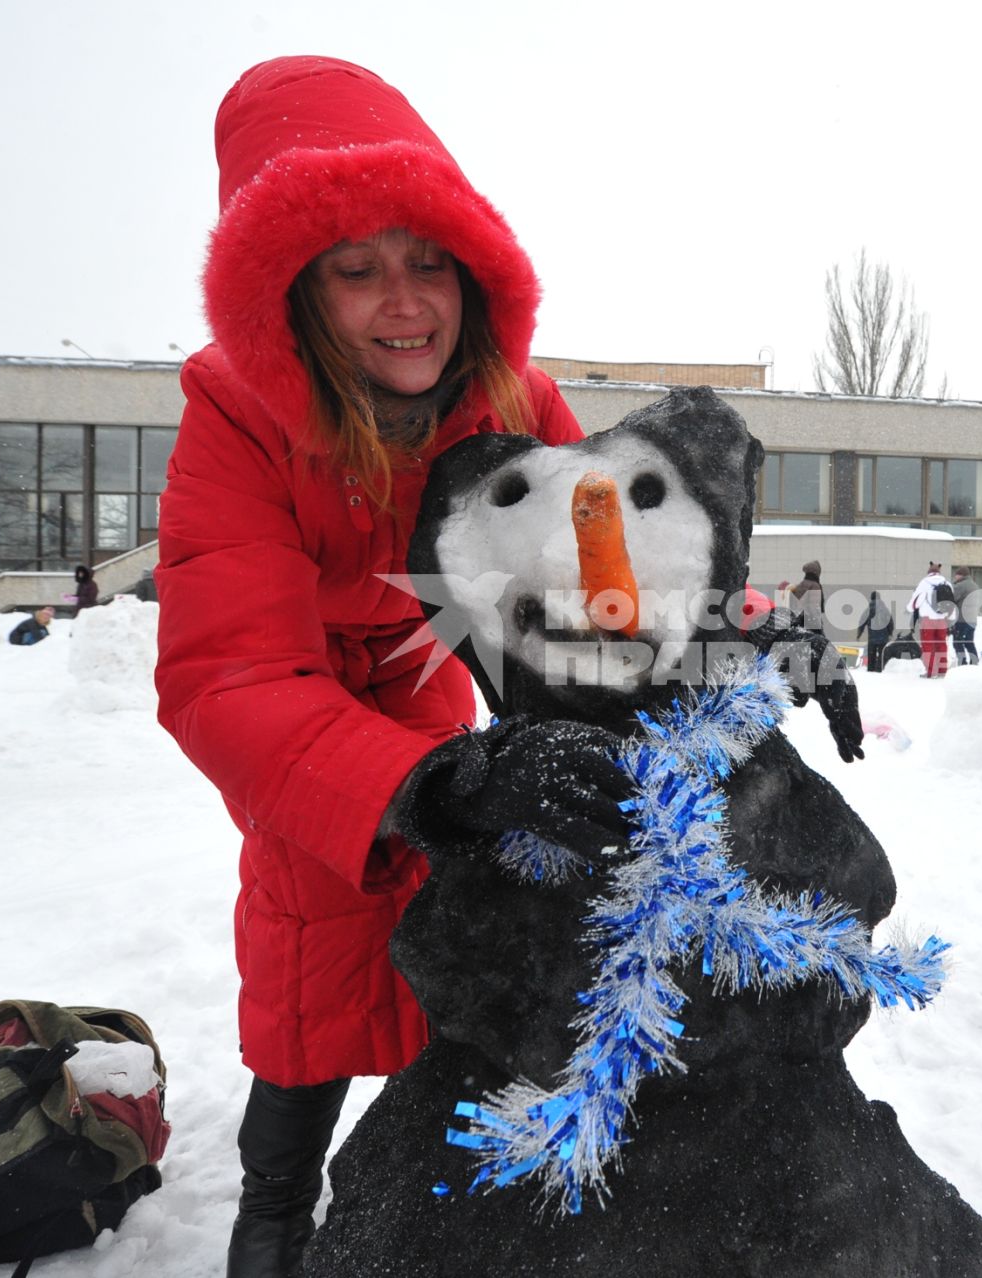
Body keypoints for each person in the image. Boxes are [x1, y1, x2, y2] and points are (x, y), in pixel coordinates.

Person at [154, 57, 860, 1278]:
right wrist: (428, 784)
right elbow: (228, 675)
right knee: (311, 952)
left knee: (473, 942)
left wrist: (766, 637)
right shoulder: (235, 415)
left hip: (445, 695)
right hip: (319, 720)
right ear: (294, 292)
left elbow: (623, 564)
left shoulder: (505, 394)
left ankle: (456, 1157)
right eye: (355, 269)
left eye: (426, 260)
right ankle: (274, 1201)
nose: (404, 302)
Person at [906, 560, 953, 678]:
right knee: (942, 644)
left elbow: (914, 605)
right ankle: (942, 670)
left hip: (927, 620)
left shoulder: (924, 583)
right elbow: (951, 603)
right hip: (942, 619)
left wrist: (910, 608)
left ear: (929, 572)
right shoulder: (947, 583)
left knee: (928, 646)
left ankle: (932, 672)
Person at [949, 565, 980, 664]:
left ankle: (962, 663)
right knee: (968, 642)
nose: (955, 577)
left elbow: (951, 598)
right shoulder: (975, 585)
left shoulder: (961, 585)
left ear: (962, 575)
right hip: (972, 620)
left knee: (957, 643)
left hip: (962, 620)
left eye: (957, 575)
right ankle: (974, 661)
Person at [859, 589, 895, 673]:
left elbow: (862, 622)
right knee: (881, 654)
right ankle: (879, 669)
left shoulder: (868, 609)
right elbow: (890, 622)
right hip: (883, 636)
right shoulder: (885, 609)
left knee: (871, 654)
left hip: (872, 636)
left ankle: (871, 669)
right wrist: (890, 633)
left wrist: (859, 634)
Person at [789, 560, 826, 634]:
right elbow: (814, 607)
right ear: (817, 573)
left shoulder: (800, 585)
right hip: (811, 621)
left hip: (799, 620)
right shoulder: (815, 585)